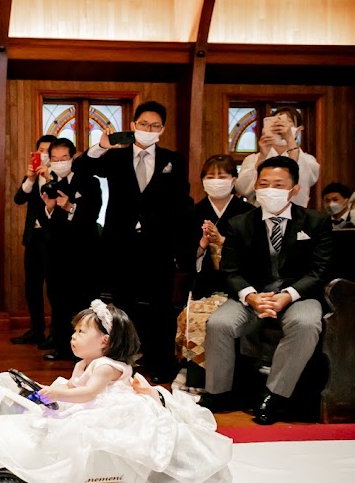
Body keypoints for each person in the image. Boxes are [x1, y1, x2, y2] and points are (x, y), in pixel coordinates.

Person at [0, 300, 232, 483]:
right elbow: (72, 386)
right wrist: (45, 389)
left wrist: (58, 393)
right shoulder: (84, 363)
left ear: (105, 341)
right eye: (75, 331)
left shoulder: (105, 367)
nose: (74, 336)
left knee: (75, 430)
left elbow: (88, 393)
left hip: (111, 408)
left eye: (81, 332)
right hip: (87, 403)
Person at [203, 156, 333, 424]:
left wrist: (288, 295)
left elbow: (319, 271)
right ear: (255, 186)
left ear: (294, 189)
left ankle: (274, 394)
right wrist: (251, 296)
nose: (270, 190)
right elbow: (230, 271)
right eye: (264, 184)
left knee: (307, 323)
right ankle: (218, 393)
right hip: (252, 296)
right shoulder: (240, 223)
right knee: (219, 323)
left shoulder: (315, 222)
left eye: (278, 184)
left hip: (298, 296)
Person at [73, 100, 192, 384]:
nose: (148, 129)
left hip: (158, 244)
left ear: (162, 129)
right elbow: (82, 167)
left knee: (161, 305)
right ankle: (123, 362)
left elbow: (181, 203)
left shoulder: (173, 160)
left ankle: (162, 362)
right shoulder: (116, 157)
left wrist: (180, 246)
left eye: (154, 125)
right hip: (120, 243)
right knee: (124, 306)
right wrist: (101, 146)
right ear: (133, 126)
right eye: (143, 124)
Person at [174, 155, 253, 391]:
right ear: (203, 181)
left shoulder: (248, 213)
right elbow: (182, 257)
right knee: (193, 316)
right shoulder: (191, 212)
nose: (216, 181)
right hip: (204, 284)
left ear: (234, 180)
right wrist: (202, 244)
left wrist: (223, 241)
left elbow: (254, 256)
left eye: (222, 176)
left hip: (238, 286)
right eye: (210, 176)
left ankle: (221, 380)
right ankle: (194, 375)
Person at [37, 137, 102, 361]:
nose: (59, 162)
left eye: (64, 157)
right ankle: (62, 347)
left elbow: (92, 215)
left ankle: (87, 350)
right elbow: (45, 224)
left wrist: (70, 207)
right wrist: (49, 208)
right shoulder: (49, 185)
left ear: (72, 158)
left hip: (84, 253)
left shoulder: (90, 182)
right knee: (58, 301)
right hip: (57, 253)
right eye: (55, 159)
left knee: (83, 301)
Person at [11, 135, 54, 345]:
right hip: (33, 237)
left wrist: (49, 178)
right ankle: (36, 330)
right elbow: (19, 198)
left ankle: (57, 333)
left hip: (53, 239)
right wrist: (30, 178)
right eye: (41, 151)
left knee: (54, 287)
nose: (44, 155)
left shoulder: (59, 177)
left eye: (48, 151)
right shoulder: (32, 178)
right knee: (32, 286)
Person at [235, 107, 319, 208]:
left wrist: (290, 140)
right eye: (276, 123)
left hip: (296, 215)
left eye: (288, 122)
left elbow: (300, 182)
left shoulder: (308, 161)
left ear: (298, 130)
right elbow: (242, 189)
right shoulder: (252, 159)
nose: (281, 127)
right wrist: (262, 156)